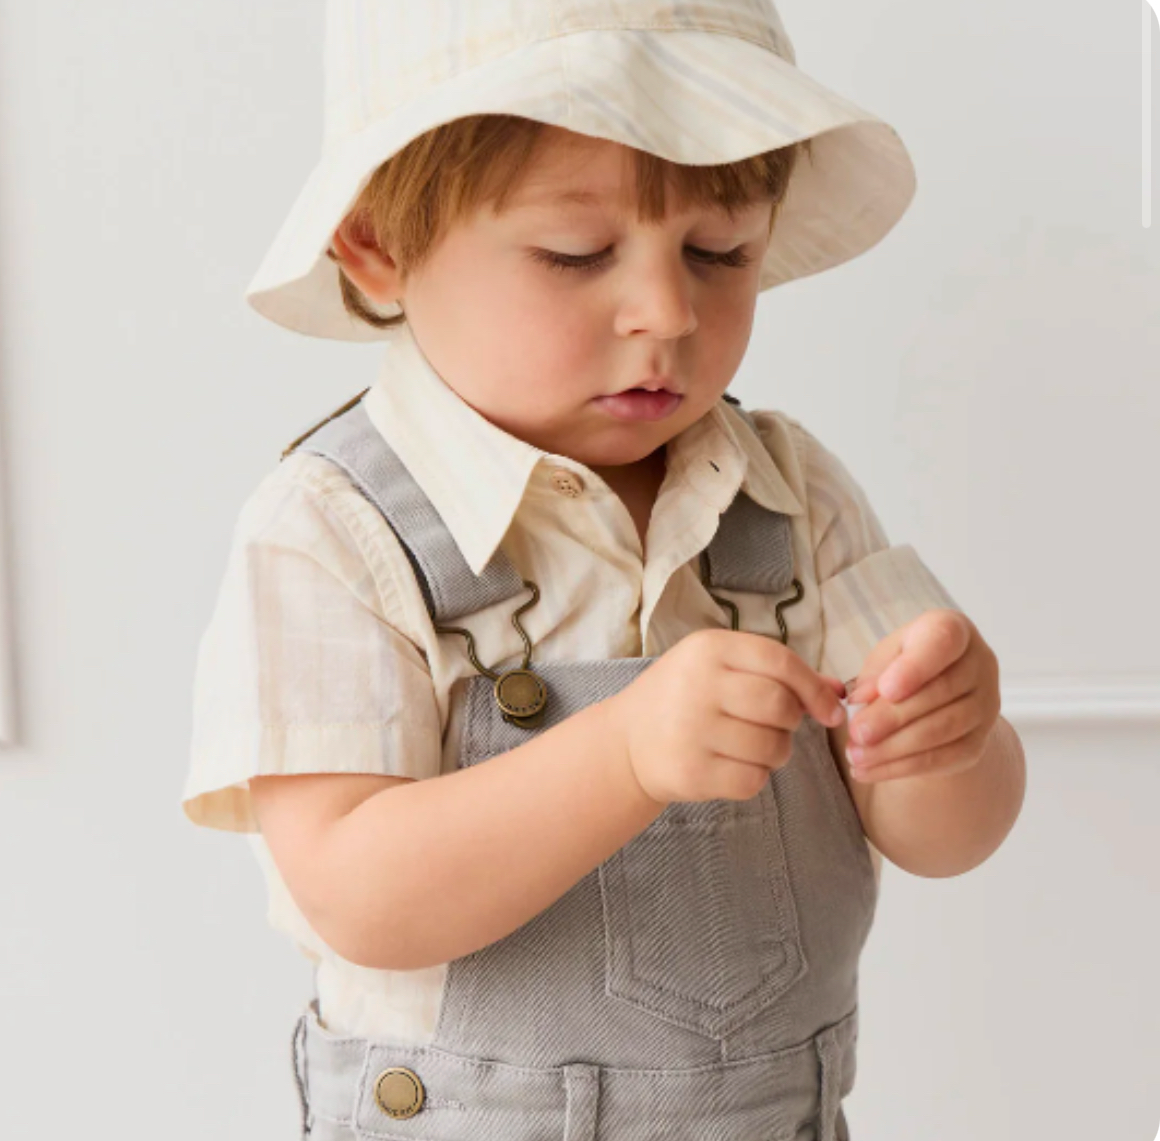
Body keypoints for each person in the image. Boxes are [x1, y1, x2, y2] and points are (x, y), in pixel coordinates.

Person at [182, 3, 1026, 1138]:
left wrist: (946, 740)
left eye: (719, 251)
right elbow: (358, 893)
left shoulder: (787, 491)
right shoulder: (333, 529)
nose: (667, 313)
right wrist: (624, 750)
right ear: (379, 244)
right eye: (575, 254)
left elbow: (940, 837)